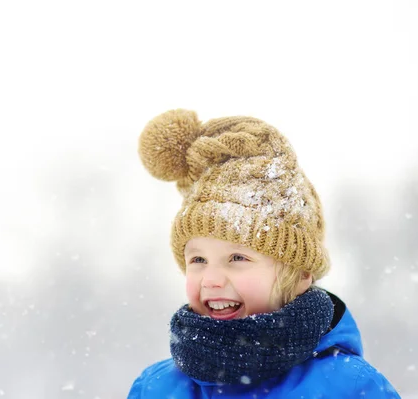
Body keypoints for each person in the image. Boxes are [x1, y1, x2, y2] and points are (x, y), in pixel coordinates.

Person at [128, 109, 400, 398]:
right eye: (198, 260)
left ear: (300, 275)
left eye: (237, 258)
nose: (211, 279)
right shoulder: (156, 388)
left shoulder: (349, 387)